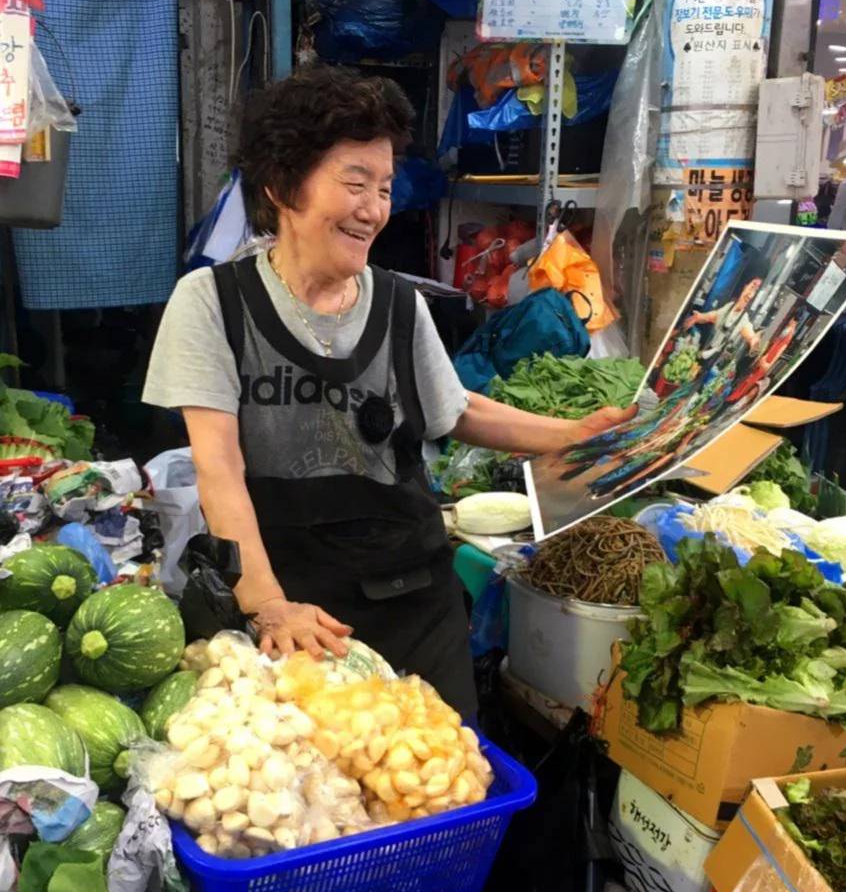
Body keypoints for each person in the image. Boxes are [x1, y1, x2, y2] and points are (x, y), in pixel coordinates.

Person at [143, 66, 633, 715]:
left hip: (414, 605)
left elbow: (456, 409)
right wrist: (265, 602)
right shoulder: (213, 303)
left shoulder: (400, 305)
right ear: (283, 184)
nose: (375, 208)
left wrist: (571, 433)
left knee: (446, 790)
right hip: (295, 614)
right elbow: (219, 465)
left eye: (383, 186)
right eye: (354, 183)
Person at [682, 277, 764, 366]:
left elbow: (751, 336)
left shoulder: (744, 320)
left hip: (714, 362)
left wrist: (755, 344)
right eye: (752, 287)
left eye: (755, 291)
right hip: (705, 351)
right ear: (745, 287)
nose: (750, 294)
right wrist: (698, 317)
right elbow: (712, 316)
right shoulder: (729, 306)